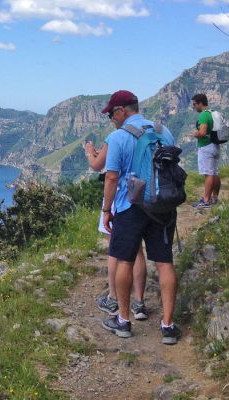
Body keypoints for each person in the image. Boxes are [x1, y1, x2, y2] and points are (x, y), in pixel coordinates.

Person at [97, 90, 181, 345]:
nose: (112, 118)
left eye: (112, 113)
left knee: (124, 261)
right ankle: (168, 325)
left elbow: (111, 177)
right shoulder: (163, 131)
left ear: (123, 110)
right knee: (165, 263)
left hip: (129, 207)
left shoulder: (118, 137)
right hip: (162, 206)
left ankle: (123, 321)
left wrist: (106, 210)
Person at [82, 143, 148, 321]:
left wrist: (90, 152)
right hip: (141, 193)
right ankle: (139, 302)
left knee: (115, 247)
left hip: (120, 196)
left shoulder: (117, 137)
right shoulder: (148, 130)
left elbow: (97, 165)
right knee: (138, 248)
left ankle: (113, 298)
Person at [191, 93, 221, 208]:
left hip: (206, 147)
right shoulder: (212, 113)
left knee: (208, 173)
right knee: (214, 172)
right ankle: (215, 197)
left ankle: (206, 201)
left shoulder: (203, 115)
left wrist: (195, 133)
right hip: (215, 145)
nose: (194, 107)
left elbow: (202, 132)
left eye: (194, 104)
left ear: (200, 103)